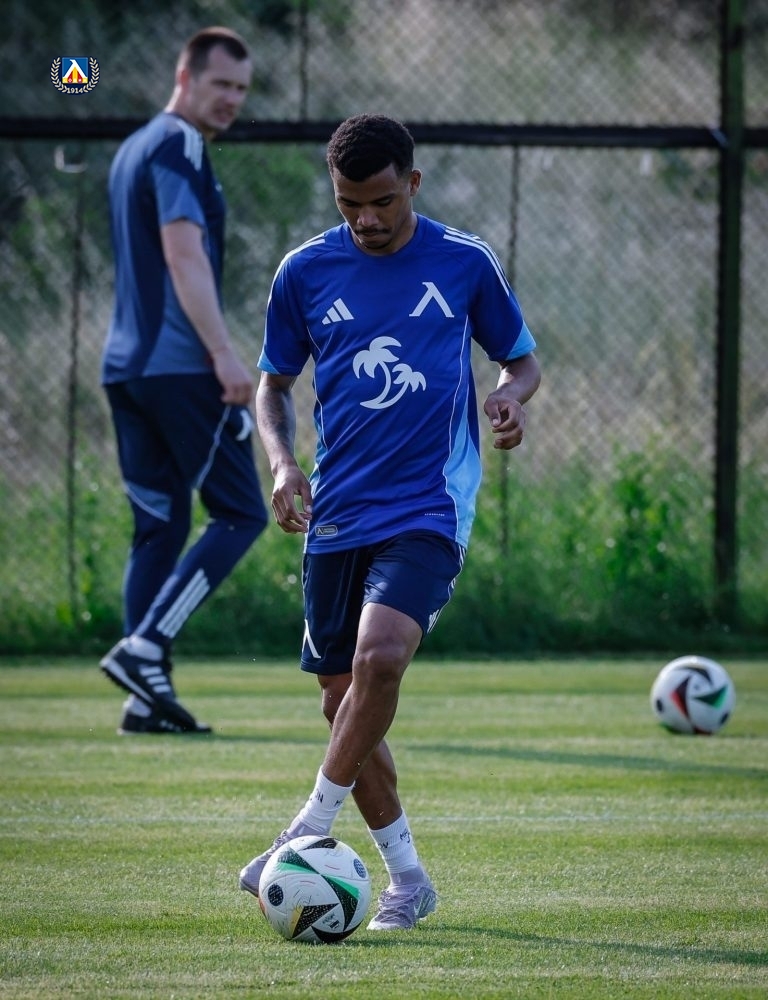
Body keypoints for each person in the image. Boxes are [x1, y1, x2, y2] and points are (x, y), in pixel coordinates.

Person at [239, 113, 541, 930]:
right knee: (343, 702)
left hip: (429, 505)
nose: (366, 220)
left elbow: (520, 359)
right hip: (337, 510)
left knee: (379, 659)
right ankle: (408, 879)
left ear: (412, 183)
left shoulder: (464, 261)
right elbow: (273, 384)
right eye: (349, 205)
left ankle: (300, 832)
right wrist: (283, 463)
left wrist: (511, 396)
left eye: (381, 202)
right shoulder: (304, 271)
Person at [99, 27, 267, 736]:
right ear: (185, 76)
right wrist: (223, 353)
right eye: (221, 84)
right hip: (179, 368)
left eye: (241, 89)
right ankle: (146, 647)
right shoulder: (180, 145)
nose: (232, 100)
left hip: (127, 370)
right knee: (241, 512)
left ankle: (146, 700)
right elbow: (182, 253)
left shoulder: (133, 147)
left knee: (159, 528)